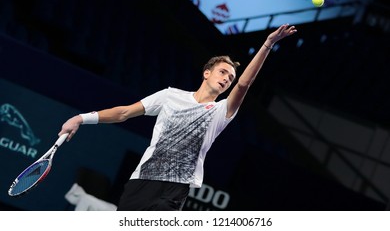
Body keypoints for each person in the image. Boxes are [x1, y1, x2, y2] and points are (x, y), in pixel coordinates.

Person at [58, 24, 297, 211]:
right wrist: (81, 118)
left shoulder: (221, 112)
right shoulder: (170, 95)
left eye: (230, 78)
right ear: (207, 73)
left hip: (173, 191)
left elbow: (245, 84)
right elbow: (124, 112)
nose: (227, 78)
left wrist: (267, 45)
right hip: (141, 181)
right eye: (223, 71)